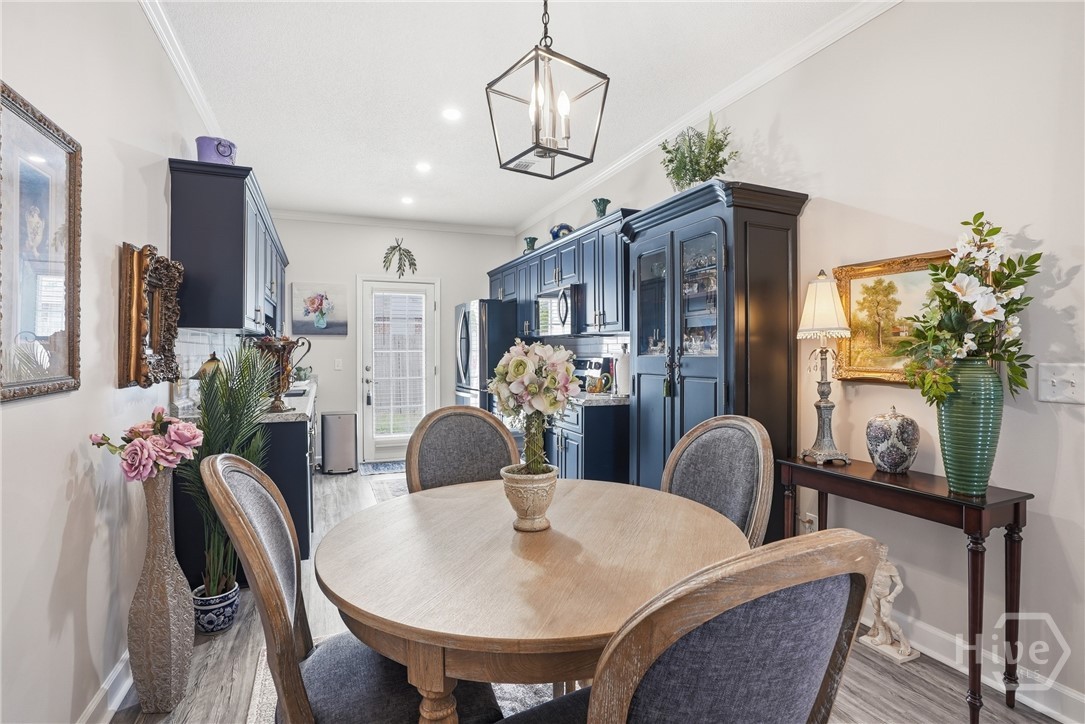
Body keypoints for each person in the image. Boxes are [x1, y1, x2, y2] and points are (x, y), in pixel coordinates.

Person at [866, 543, 912, 656]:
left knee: (886, 619)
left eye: (884, 552)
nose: (882, 554)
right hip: (874, 593)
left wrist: (892, 596)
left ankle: (903, 641)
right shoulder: (875, 564)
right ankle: (882, 635)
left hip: (884, 596)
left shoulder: (890, 568)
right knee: (876, 613)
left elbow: (900, 585)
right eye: (880, 551)